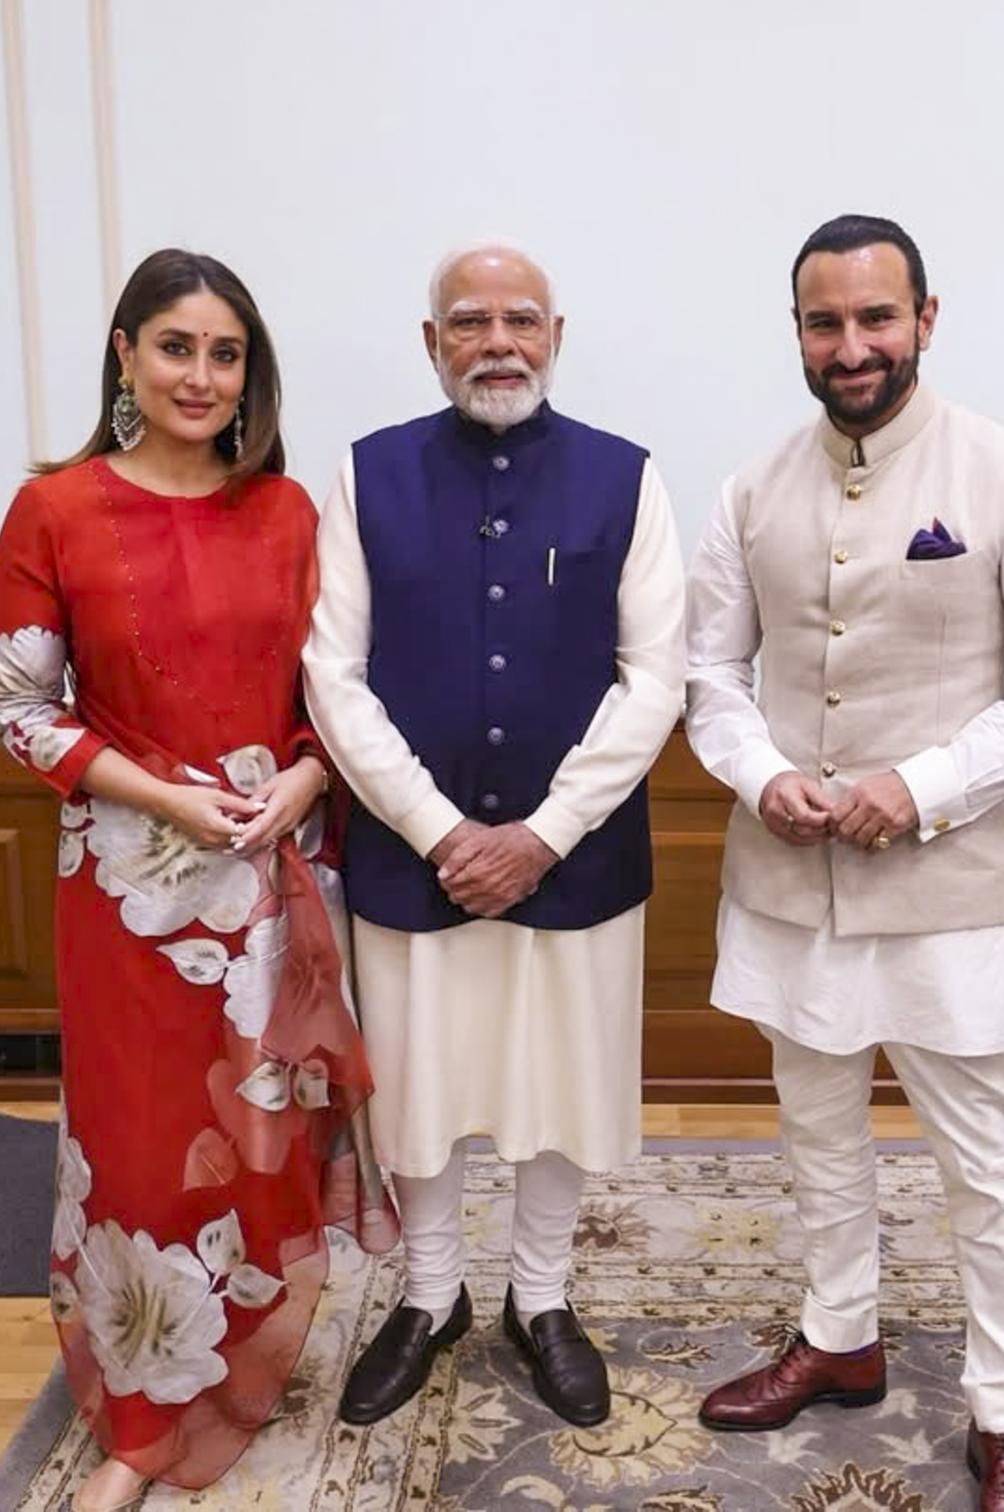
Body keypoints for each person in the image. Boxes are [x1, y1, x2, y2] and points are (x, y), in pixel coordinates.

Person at [684, 214, 1004, 1511]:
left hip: (949, 894)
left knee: (981, 1165)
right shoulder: (749, 490)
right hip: (785, 889)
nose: (852, 345)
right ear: (799, 335)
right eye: (826, 322)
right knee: (817, 1140)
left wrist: (920, 788)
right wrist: (763, 775)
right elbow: (708, 674)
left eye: (878, 318)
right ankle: (840, 1338)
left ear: (928, 318)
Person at [0, 249, 397, 1511]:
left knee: (256, 1140)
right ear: (124, 355)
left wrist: (307, 781)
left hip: (268, 890)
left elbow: (337, 701)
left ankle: (235, 1359)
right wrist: (164, 795)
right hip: (123, 897)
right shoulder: (51, 509)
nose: (201, 376)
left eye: (226, 355)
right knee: (140, 1145)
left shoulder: (287, 517)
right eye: (175, 347)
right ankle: (141, 1418)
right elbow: (16, 708)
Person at [303, 241, 685, 1428]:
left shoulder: (629, 478)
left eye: (522, 319)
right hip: (411, 860)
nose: (498, 341)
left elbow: (655, 676)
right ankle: (428, 1297)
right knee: (418, 1087)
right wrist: (435, 829)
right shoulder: (367, 476)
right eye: (469, 321)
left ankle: (542, 1296)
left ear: (557, 336)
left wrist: (544, 834)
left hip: (576, 860)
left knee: (559, 1084)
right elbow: (333, 674)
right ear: (432, 343)